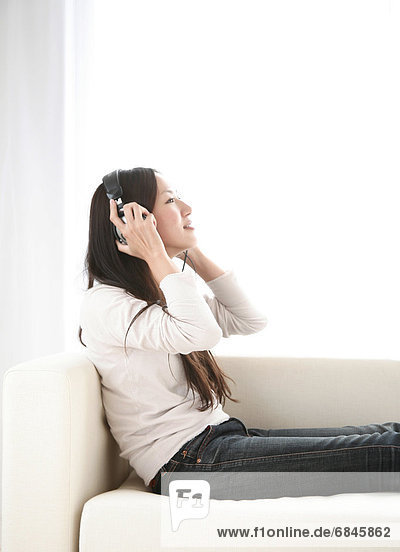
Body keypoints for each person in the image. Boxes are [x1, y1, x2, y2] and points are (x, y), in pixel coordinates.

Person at [78, 167, 400, 501]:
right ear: (133, 221)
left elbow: (248, 320)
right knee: (387, 451)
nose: (187, 208)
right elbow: (200, 334)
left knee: (387, 434)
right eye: (172, 200)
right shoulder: (106, 304)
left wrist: (189, 250)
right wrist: (157, 253)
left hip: (211, 443)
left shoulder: (162, 296)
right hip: (184, 465)